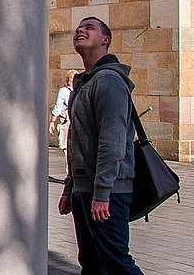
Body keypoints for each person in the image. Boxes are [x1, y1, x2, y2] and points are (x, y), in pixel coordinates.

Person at [58, 17, 142, 274]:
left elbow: (112, 141)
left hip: (107, 192)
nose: (80, 30)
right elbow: (77, 141)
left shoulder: (109, 81)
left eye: (89, 27)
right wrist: (70, 187)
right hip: (85, 190)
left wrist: (102, 193)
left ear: (105, 40)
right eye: (78, 28)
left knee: (117, 264)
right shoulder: (86, 82)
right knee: (92, 264)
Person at [49, 69, 79, 159]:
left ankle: (68, 171)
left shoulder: (63, 91)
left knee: (66, 148)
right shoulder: (81, 89)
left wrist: (52, 122)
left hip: (67, 121)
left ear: (67, 79)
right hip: (78, 121)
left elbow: (58, 107)